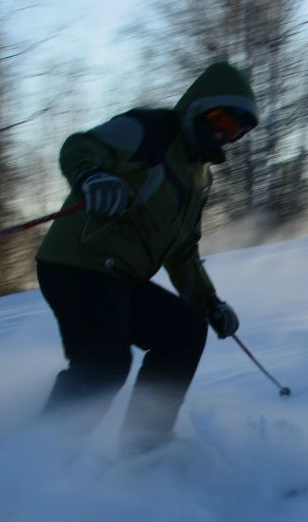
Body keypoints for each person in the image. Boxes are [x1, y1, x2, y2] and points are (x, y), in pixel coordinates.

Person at [35, 62, 258, 456]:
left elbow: (182, 250)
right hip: (77, 265)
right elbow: (80, 146)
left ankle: (144, 448)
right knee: (105, 365)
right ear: (198, 108)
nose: (224, 135)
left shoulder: (199, 176)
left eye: (235, 131)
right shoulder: (150, 131)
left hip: (121, 277)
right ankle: (41, 458)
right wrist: (92, 177)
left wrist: (209, 302)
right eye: (220, 121)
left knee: (184, 330)